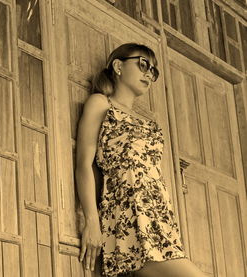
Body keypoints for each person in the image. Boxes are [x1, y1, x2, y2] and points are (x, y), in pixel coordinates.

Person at [75, 43, 206, 277]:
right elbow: (84, 165)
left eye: (153, 71)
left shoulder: (150, 123)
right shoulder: (101, 103)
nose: (149, 73)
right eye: (143, 64)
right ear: (118, 66)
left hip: (159, 216)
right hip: (127, 213)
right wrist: (91, 221)